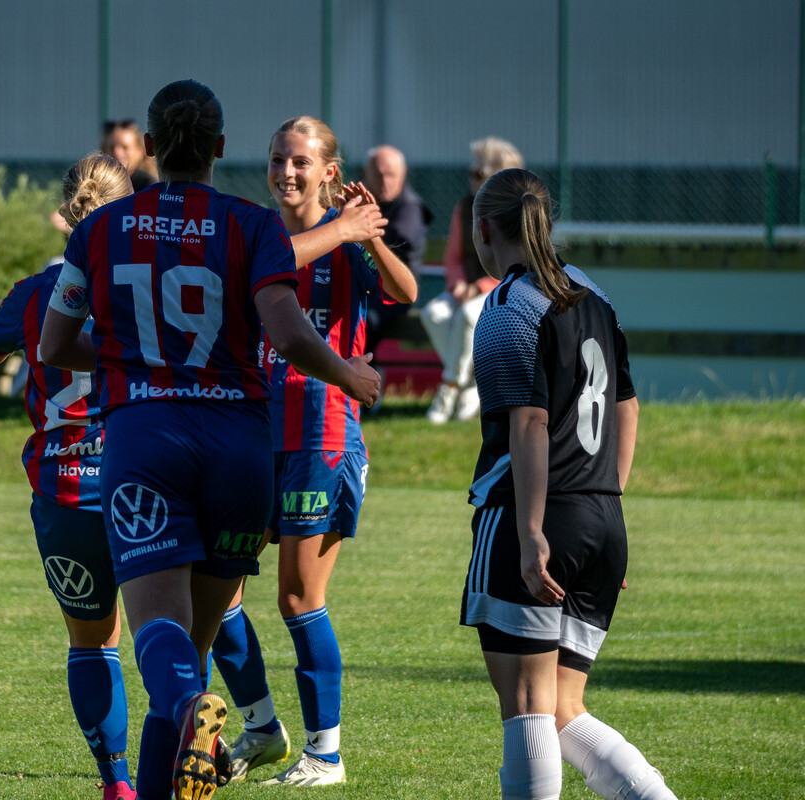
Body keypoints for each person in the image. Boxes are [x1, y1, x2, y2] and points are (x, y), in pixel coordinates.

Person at [40, 80, 380, 800]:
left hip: (147, 443)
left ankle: (198, 704)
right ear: (221, 146)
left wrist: (130, 356)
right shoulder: (252, 225)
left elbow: (54, 345)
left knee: (159, 639)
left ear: (149, 148)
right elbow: (289, 334)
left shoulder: (99, 230)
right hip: (240, 451)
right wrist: (350, 374)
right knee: (189, 651)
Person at [0, 153, 138, 800]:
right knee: (177, 627)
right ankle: (193, 744)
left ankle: (118, 783)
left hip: (65, 488)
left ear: (66, 213)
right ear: (130, 209)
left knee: (93, 644)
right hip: (142, 480)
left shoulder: (38, 292)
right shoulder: (144, 284)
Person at [211, 117, 418, 787]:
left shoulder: (348, 239)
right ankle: (261, 728)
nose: (285, 172)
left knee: (299, 598)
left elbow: (406, 292)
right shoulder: (258, 233)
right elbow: (259, 270)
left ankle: (325, 754)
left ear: (329, 171)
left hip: (319, 434)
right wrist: (343, 228)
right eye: (278, 159)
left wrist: (370, 233)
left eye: (300, 161)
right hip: (251, 432)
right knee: (214, 592)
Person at [460, 168, 677, 800]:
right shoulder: (594, 294)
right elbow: (628, 408)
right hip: (601, 520)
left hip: (533, 516)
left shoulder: (507, 307)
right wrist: (608, 507)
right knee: (562, 709)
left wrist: (532, 533)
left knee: (528, 706)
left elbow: (527, 422)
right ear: (545, 222)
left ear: (482, 230)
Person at [422, 137, 523, 424]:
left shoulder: (515, 210)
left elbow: (517, 262)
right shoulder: (465, 207)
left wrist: (479, 287)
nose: (472, 179)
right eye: (471, 172)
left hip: (505, 289)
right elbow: (452, 256)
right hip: (465, 287)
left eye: (478, 173)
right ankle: (472, 383)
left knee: (467, 315)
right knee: (434, 314)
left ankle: (449, 388)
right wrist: (457, 284)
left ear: (499, 175)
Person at [360, 145, 431, 357]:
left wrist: (361, 234)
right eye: (379, 175)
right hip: (365, 288)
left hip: (395, 293)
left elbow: (401, 240)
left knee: (365, 319)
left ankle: (361, 370)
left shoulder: (410, 207)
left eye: (391, 175)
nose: (385, 181)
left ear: (403, 174)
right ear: (366, 173)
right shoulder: (358, 201)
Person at [101, 119, 158, 191]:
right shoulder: (98, 185)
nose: (116, 152)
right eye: (111, 148)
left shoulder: (149, 187)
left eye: (125, 147)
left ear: (141, 151)